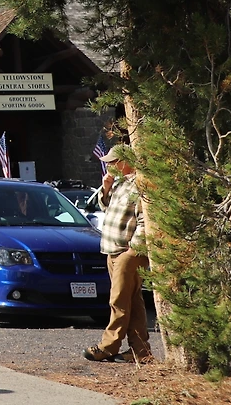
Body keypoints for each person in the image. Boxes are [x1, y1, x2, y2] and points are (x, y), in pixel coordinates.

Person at [84, 144, 153, 364]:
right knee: (133, 300)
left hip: (127, 251)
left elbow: (145, 219)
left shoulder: (140, 184)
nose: (109, 166)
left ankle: (108, 346)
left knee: (118, 300)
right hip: (111, 249)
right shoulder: (120, 183)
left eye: (113, 162)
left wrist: (134, 249)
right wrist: (105, 189)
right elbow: (107, 208)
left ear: (125, 162)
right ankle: (140, 351)